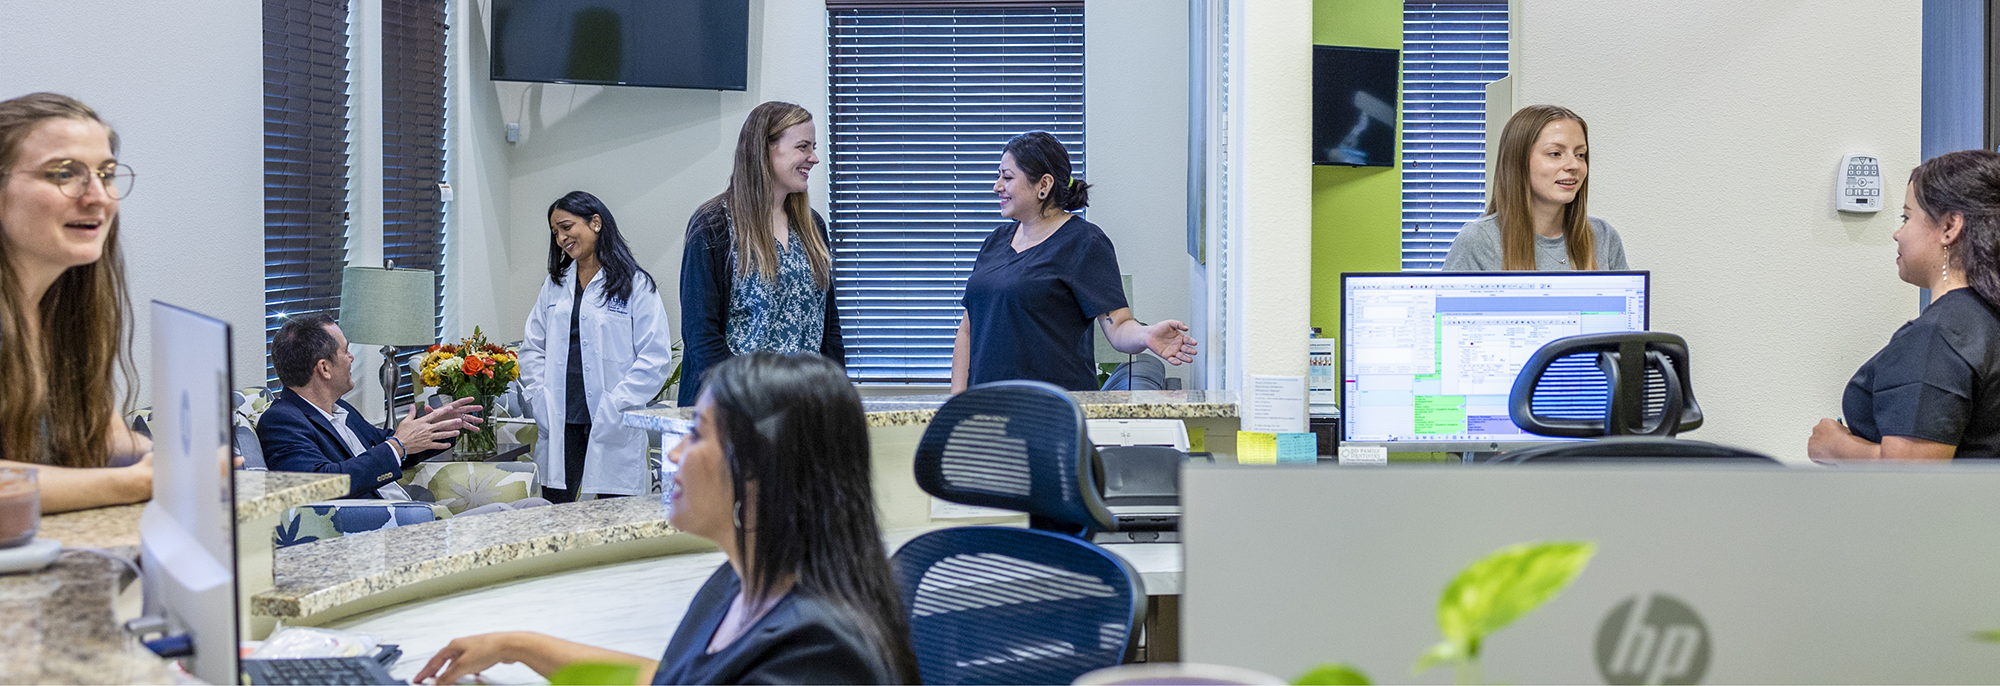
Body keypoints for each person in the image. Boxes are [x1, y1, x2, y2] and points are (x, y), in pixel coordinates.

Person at [415, 353, 919, 685]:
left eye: (696, 435)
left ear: (757, 469)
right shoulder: (741, 581)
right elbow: (670, 678)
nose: (674, 453)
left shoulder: (814, 655)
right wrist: (517, 647)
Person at [951, 130, 1198, 393]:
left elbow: (1119, 325)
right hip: (986, 412)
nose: (997, 186)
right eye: (998, 175)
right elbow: (967, 330)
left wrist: (1146, 336)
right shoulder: (996, 241)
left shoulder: (1084, 242)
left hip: (1052, 412)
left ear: (1043, 186)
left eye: (1007, 177)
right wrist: (956, 405)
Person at [0, 92, 154, 513]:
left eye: (106, 174)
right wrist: (131, 483)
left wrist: (176, 462)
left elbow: (101, 437)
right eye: (64, 173)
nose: (99, 197)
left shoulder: (65, 310)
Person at [1809, 150, 2000, 461]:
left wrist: (1833, 445)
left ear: (1949, 227)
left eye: (1906, 217)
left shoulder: (1939, 335)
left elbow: (1912, 474)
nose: (1898, 233)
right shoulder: (1987, 318)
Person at [678, 101, 843, 406]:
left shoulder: (812, 226)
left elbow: (829, 329)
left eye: (814, 147)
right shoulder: (713, 225)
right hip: (733, 412)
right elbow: (701, 335)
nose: (814, 158)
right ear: (764, 150)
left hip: (802, 412)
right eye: (803, 147)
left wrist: (834, 398)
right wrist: (750, 401)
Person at [520, 191, 673, 502]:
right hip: (562, 418)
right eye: (556, 233)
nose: (561, 238)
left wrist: (618, 403)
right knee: (553, 512)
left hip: (611, 417)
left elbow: (655, 358)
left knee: (611, 517)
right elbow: (532, 348)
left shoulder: (635, 285)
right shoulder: (555, 284)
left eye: (566, 227)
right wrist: (538, 395)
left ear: (596, 222)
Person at [259, 313, 481, 499]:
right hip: (378, 532)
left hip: (414, 512)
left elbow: (388, 446)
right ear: (324, 368)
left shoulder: (341, 409)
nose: (351, 357)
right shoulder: (281, 421)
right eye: (345, 351)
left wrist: (438, 426)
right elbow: (319, 485)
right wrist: (398, 446)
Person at [1441, 104, 1628, 271]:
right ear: (1518, 161)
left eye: (1580, 154)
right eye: (1555, 153)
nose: (1574, 165)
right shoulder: (1481, 240)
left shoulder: (1603, 237)